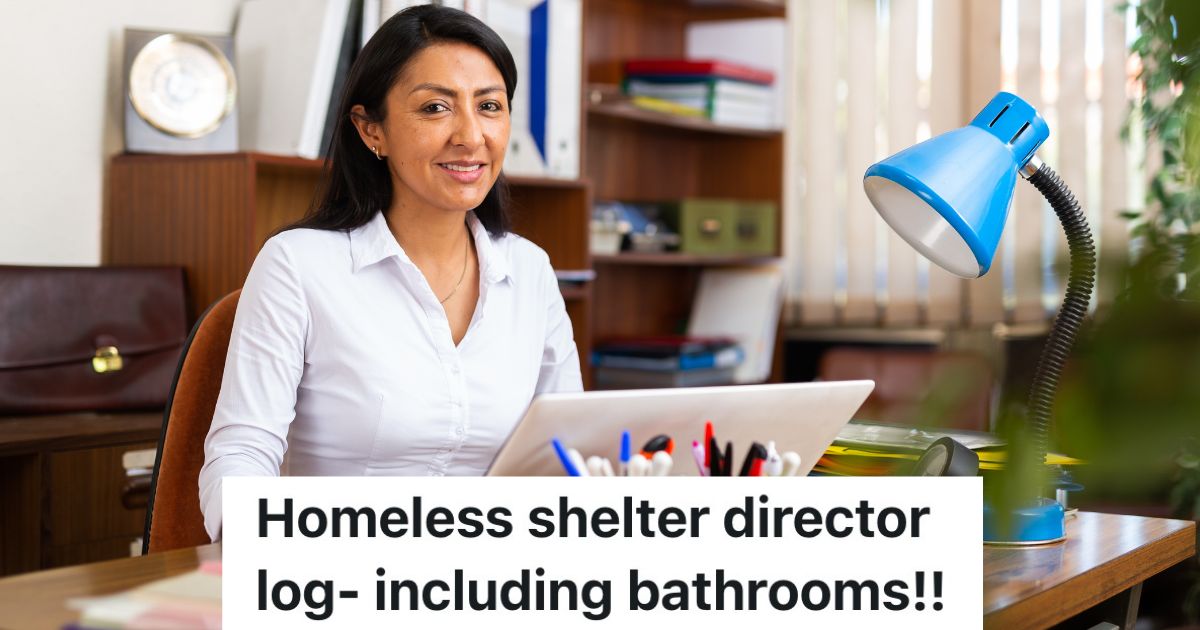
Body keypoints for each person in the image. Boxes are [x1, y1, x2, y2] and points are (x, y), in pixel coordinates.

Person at [198, 5, 582, 541]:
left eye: (489, 106)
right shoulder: (298, 264)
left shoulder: (530, 270)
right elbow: (242, 453)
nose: (471, 136)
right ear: (370, 129)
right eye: (435, 108)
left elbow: (569, 451)